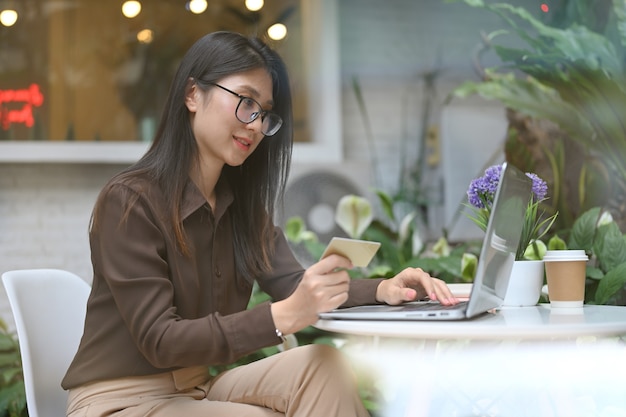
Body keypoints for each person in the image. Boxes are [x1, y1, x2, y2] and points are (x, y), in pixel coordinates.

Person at [61, 31, 459, 417]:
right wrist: (283, 317)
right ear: (192, 94)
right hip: (119, 401)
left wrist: (385, 289)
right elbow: (160, 341)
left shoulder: (241, 210)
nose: (255, 124)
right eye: (245, 102)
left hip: (195, 390)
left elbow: (295, 286)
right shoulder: (130, 202)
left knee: (323, 366)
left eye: (264, 114)